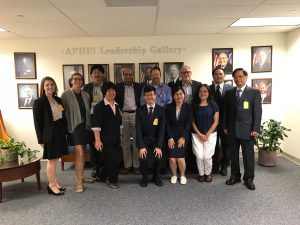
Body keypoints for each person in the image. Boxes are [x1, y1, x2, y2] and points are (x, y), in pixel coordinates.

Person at [223, 68, 262, 190]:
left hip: (248, 130)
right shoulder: (229, 93)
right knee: (233, 155)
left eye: (240, 76)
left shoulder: (254, 92)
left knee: (248, 157)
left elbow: (257, 112)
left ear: (246, 77)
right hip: (232, 130)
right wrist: (224, 126)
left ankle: (249, 179)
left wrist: (256, 129)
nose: (238, 79)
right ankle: (235, 176)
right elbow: (225, 112)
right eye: (235, 77)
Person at [33, 77, 68, 196]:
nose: (50, 87)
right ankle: (51, 185)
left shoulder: (58, 100)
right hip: (49, 134)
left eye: (52, 84)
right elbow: (37, 123)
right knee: (52, 160)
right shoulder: (39, 102)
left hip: (59, 131)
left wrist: (65, 131)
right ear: (43, 87)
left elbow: (62, 116)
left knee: (56, 159)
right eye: (47, 85)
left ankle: (54, 182)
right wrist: (41, 140)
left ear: (55, 86)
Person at [61, 73, 93, 193]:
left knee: (83, 152)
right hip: (74, 128)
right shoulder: (65, 95)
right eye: (75, 79)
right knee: (79, 153)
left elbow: (88, 110)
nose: (78, 81)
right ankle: (78, 182)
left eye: (80, 79)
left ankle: (82, 176)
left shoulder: (86, 95)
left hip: (85, 127)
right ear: (71, 81)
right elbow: (63, 113)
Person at [92, 82, 122, 189]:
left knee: (109, 159)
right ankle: (112, 180)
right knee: (115, 159)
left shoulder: (117, 105)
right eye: (109, 91)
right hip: (105, 140)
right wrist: (97, 141)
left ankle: (101, 176)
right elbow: (96, 126)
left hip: (116, 139)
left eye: (113, 90)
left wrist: (121, 137)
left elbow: (119, 124)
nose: (111, 93)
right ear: (104, 93)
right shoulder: (99, 107)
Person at [136, 85, 166, 187]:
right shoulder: (139, 110)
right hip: (144, 141)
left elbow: (162, 130)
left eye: (152, 94)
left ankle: (156, 176)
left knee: (158, 157)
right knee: (144, 158)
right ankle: (144, 177)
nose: (150, 97)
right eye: (147, 95)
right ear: (144, 97)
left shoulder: (161, 110)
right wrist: (141, 146)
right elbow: (138, 130)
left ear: (155, 95)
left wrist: (159, 146)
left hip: (156, 141)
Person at [116, 67, 142, 175]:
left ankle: (136, 166)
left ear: (133, 75)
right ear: (122, 75)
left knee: (136, 142)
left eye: (130, 74)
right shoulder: (118, 87)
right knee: (125, 142)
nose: (128, 77)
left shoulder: (139, 87)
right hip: (124, 115)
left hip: (136, 114)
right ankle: (127, 165)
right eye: (125, 75)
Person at [192, 84, 219, 182]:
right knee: (199, 156)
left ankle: (208, 173)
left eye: (205, 91)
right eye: (201, 91)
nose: (203, 93)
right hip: (196, 135)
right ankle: (201, 174)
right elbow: (192, 122)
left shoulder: (213, 104)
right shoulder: (194, 106)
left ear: (208, 93)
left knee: (207, 156)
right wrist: (199, 134)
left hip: (211, 134)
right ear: (198, 93)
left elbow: (216, 121)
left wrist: (207, 134)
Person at [83, 64, 106, 181]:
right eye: (94, 72)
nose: (97, 74)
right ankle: (95, 167)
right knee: (93, 144)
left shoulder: (108, 86)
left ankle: (104, 167)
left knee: (106, 143)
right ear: (91, 75)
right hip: (92, 118)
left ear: (103, 74)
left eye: (99, 72)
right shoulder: (86, 88)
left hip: (106, 119)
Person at [166, 87, 192, 185]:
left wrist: (183, 137)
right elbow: (167, 123)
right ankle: (174, 174)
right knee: (172, 158)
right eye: (176, 94)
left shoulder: (188, 107)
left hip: (183, 136)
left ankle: (182, 175)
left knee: (180, 158)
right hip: (171, 136)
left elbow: (189, 124)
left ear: (184, 95)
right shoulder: (169, 107)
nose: (179, 96)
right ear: (173, 96)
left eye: (181, 94)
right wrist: (170, 137)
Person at [209, 68, 234, 176]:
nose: (218, 76)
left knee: (226, 146)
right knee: (213, 146)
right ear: (213, 76)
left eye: (220, 74)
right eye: (216, 74)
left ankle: (224, 166)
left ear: (224, 76)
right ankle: (214, 166)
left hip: (226, 124)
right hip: (211, 124)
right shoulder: (208, 89)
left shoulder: (231, 89)